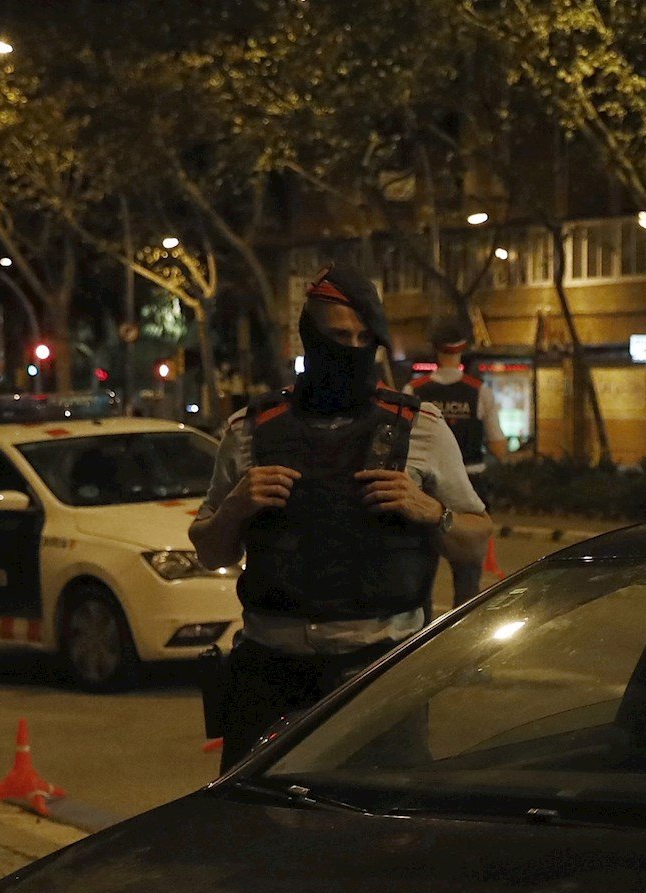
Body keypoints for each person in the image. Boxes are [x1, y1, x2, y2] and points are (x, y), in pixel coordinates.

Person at [191, 264, 493, 772]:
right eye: (337, 336)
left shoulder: (420, 427)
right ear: (309, 337)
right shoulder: (250, 430)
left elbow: (475, 539)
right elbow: (208, 550)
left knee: (383, 835)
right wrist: (239, 505)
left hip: (378, 674)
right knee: (258, 834)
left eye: (363, 337)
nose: (351, 348)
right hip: (269, 674)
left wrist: (432, 513)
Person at [416, 321, 507, 604]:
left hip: (424, 489)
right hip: (469, 488)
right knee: (467, 580)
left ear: (435, 350)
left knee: (419, 575)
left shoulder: (414, 390)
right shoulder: (479, 391)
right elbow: (498, 446)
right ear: (462, 350)